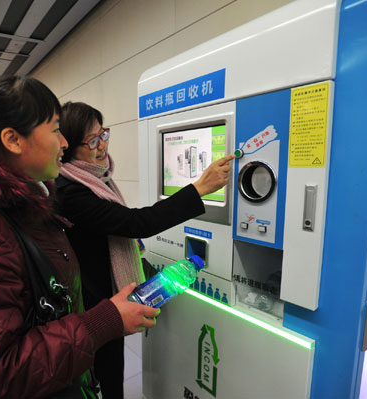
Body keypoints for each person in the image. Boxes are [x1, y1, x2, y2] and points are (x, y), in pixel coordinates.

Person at [0, 75, 159, 399]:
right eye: (54, 129)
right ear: (13, 140)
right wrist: (104, 322)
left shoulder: (28, 203)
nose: (63, 143)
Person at [55, 101, 235, 398]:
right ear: (70, 147)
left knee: (112, 371)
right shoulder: (71, 191)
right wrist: (199, 188)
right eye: (92, 141)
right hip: (95, 304)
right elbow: (135, 222)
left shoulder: (96, 179)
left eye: (104, 134)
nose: (102, 146)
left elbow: (116, 227)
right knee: (106, 376)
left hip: (105, 295)